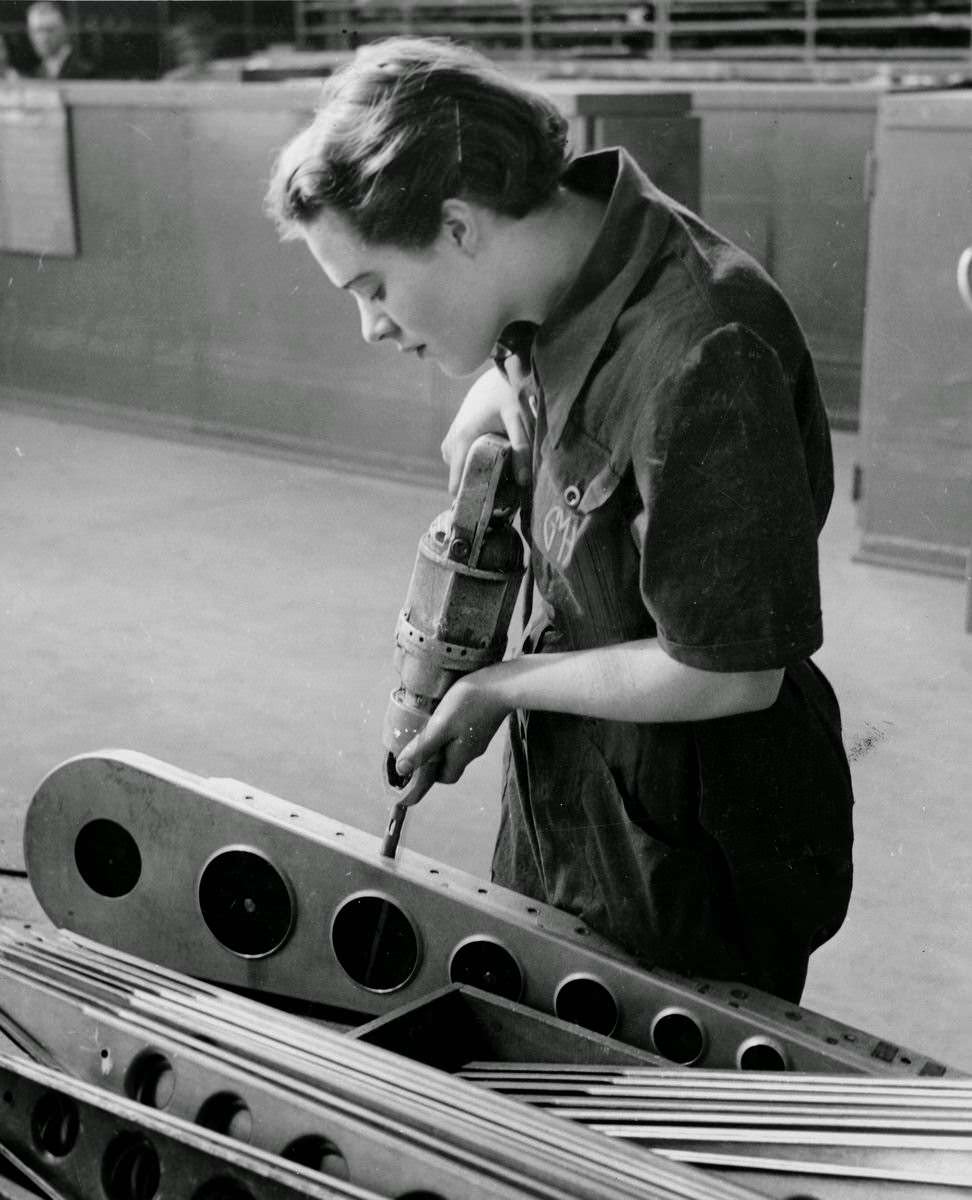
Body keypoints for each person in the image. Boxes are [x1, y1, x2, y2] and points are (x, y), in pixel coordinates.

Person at [264, 37, 854, 1003]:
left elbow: (732, 673)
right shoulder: (559, 264)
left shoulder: (707, 349)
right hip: (572, 790)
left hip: (694, 849)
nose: (371, 327)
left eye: (372, 288)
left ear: (459, 226)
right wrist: (495, 393)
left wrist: (501, 686)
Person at [26, 1, 95, 80]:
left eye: (50, 30)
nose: (43, 38)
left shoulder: (87, 71)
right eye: (37, 31)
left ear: (66, 29)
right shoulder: (36, 74)